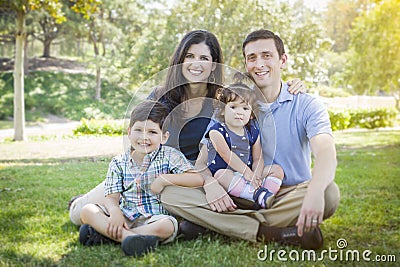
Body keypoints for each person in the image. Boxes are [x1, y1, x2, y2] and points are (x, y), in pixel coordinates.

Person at [68, 30, 305, 227]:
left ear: (213, 65)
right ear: (180, 60)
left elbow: (259, 85)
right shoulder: (161, 96)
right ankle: (84, 203)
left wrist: (293, 84)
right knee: (79, 215)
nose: (196, 64)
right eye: (190, 56)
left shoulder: (223, 99)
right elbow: (140, 143)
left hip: (198, 177)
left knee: (186, 210)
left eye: (204, 58)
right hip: (155, 170)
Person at [161, 29, 340, 250]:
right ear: (246, 64)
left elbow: (326, 152)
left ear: (282, 60)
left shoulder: (305, 104)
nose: (259, 64)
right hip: (234, 192)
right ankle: (272, 232)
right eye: (252, 58)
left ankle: (218, 224)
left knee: (328, 193)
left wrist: (314, 193)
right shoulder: (230, 106)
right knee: (169, 192)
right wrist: (210, 183)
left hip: (282, 196)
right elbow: (205, 158)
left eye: (267, 55)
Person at [78, 100, 203, 257]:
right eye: (139, 130)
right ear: (129, 132)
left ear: (164, 137)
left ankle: (108, 236)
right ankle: (131, 238)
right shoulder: (118, 162)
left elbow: (197, 179)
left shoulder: (169, 155)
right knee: (87, 211)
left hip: (153, 218)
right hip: (124, 215)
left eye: (152, 132)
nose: (144, 137)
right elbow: (111, 197)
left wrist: (165, 179)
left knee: (169, 226)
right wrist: (115, 212)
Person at [204, 75, 284, 210]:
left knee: (276, 169)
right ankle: (255, 196)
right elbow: (227, 155)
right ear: (223, 110)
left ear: (251, 114)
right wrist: (247, 173)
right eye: (233, 107)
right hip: (229, 177)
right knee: (221, 175)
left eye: (245, 108)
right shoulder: (216, 131)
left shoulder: (252, 132)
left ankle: (265, 196)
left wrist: (256, 175)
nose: (239, 112)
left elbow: (258, 158)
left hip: (249, 176)